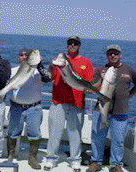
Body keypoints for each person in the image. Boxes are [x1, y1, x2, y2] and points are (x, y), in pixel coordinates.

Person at [44, 36, 94, 172]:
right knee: (55, 132)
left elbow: (89, 82)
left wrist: (89, 89)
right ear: (67, 46)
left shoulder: (86, 62)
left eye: (75, 43)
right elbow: (50, 77)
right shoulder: (58, 62)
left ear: (79, 46)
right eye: (70, 43)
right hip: (58, 102)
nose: (72, 45)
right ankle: (51, 158)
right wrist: (51, 66)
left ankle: (75, 160)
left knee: (75, 133)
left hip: (77, 103)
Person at [86, 45, 136, 172]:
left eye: (115, 53)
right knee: (97, 137)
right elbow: (94, 89)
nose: (113, 56)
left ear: (120, 55)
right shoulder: (100, 70)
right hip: (101, 110)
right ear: (107, 55)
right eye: (110, 54)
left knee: (118, 140)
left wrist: (130, 94)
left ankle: (116, 164)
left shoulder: (129, 70)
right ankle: (96, 161)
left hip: (121, 111)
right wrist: (102, 80)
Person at [6, 48, 51, 169]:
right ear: (18, 57)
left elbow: (47, 78)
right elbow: (7, 84)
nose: (24, 57)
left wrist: (40, 64)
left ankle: (32, 158)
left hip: (34, 108)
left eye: (27, 55)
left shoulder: (38, 71)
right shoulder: (13, 70)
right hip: (16, 107)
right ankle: (11, 155)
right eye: (21, 55)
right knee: (12, 133)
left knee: (35, 134)